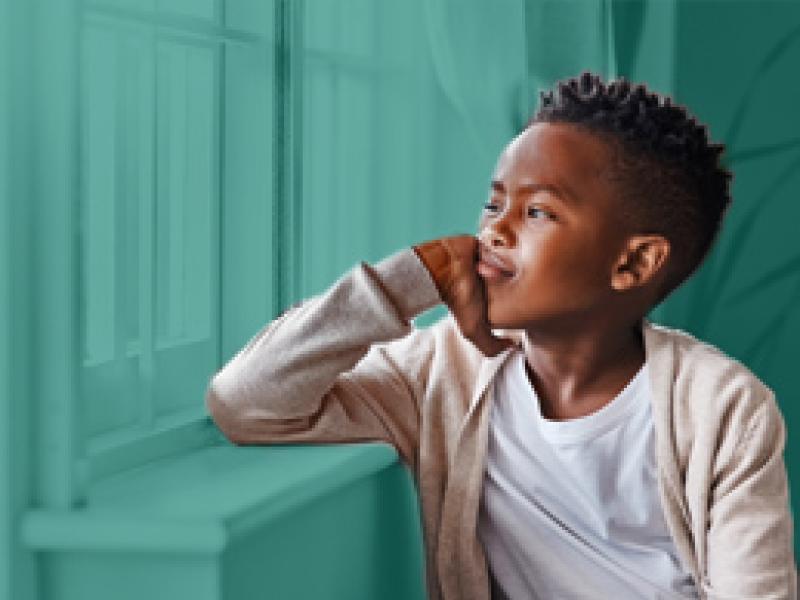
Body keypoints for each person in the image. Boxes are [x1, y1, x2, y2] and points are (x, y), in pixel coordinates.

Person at [205, 71, 796, 600]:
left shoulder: (722, 407)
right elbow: (246, 403)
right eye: (492, 205)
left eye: (537, 212)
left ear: (634, 265)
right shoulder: (440, 372)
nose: (494, 232)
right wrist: (412, 277)